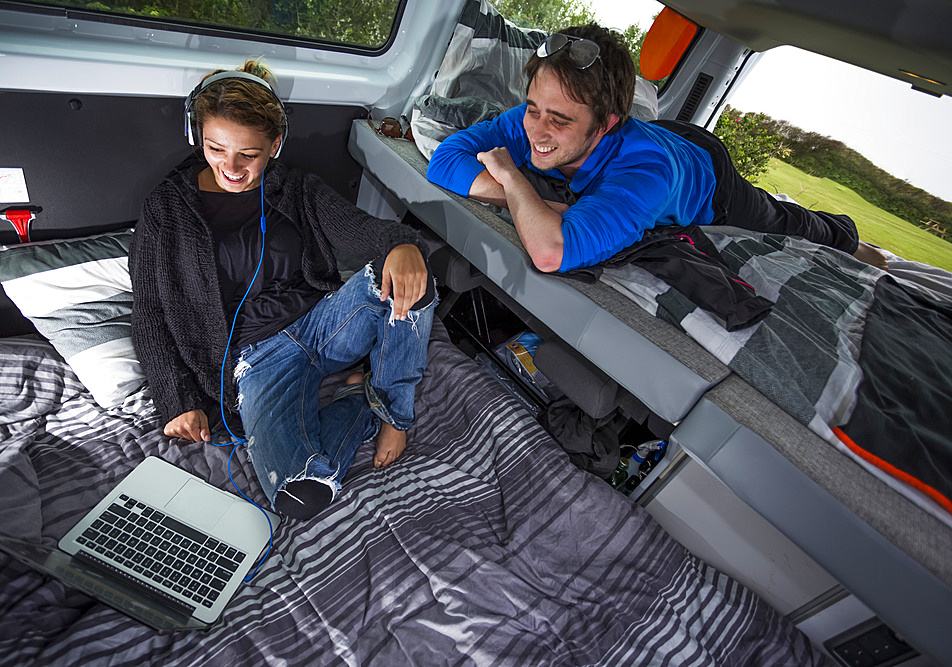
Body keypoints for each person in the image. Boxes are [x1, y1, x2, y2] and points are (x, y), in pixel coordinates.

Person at [130, 60, 436, 520]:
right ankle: (358, 400)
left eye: (248, 155)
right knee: (301, 494)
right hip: (255, 362)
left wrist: (400, 244)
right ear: (196, 136)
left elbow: (358, 229)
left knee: (415, 282)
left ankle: (394, 412)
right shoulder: (165, 209)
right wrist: (177, 401)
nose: (230, 168)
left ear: (275, 144)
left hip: (322, 325)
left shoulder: (296, 189)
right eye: (216, 149)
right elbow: (149, 312)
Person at [426, 24, 888, 274]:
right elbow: (445, 160)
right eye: (532, 109)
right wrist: (536, 198)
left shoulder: (645, 172)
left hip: (705, 176)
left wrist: (509, 177)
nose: (537, 131)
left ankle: (846, 235)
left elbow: (551, 252)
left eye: (560, 120)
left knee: (783, 220)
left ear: (604, 125)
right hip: (662, 133)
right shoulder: (529, 122)